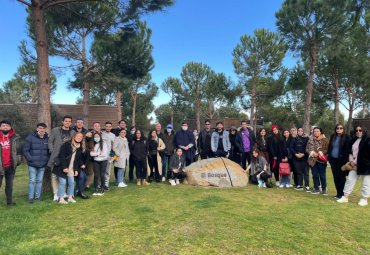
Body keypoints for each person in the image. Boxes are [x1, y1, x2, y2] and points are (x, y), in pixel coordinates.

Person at [337, 126, 370, 206]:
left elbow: (365, 154)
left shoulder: (368, 140)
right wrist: (351, 161)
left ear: (364, 131)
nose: (358, 131)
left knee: (366, 183)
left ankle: (364, 199)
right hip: (353, 165)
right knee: (350, 180)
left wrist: (354, 162)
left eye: (360, 130)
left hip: (365, 165)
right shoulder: (353, 140)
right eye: (356, 130)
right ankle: (345, 197)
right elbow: (350, 152)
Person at [47, 115, 76, 201]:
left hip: (67, 157)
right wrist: (52, 151)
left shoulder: (73, 132)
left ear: (71, 123)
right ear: (63, 122)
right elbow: (50, 142)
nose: (67, 122)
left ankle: (63, 192)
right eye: (66, 121)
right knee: (55, 175)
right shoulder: (55, 130)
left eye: (69, 121)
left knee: (65, 175)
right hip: (56, 156)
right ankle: (56, 193)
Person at [52, 132, 86, 204]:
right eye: (78, 136)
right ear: (74, 136)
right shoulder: (66, 144)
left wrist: (76, 170)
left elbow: (77, 160)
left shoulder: (80, 147)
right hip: (62, 166)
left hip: (71, 168)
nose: (79, 137)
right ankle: (61, 198)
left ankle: (70, 197)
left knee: (72, 182)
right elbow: (62, 156)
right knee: (63, 182)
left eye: (81, 137)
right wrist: (64, 167)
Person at [22, 123, 49, 204]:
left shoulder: (47, 138)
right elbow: (25, 150)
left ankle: (37, 197)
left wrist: (45, 161)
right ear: (37, 129)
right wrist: (31, 160)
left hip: (42, 164)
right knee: (32, 181)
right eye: (40, 128)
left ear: (45, 129)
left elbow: (49, 152)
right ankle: (30, 198)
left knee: (39, 181)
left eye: (44, 128)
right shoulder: (30, 138)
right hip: (32, 164)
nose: (42, 130)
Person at [0, 120, 20, 206]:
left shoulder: (15, 137)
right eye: (3, 126)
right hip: (0, 166)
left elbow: (18, 150)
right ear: (0, 127)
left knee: (9, 186)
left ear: (10, 127)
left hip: (10, 166)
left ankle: (9, 203)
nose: (5, 127)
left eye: (7, 126)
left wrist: (18, 160)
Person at [327, 124, 350, 199]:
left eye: (341, 128)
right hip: (333, 160)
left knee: (341, 178)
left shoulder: (346, 137)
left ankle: (342, 194)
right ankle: (338, 193)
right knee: (335, 177)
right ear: (335, 129)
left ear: (343, 129)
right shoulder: (333, 136)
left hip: (341, 161)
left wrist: (345, 161)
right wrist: (329, 158)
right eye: (337, 128)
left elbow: (347, 150)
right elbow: (330, 147)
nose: (339, 129)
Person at [306, 127, 329, 195]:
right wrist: (311, 152)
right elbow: (307, 149)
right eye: (314, 131)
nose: (316, 132)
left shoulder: (325, 140)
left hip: (321, 160)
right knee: (315, 175)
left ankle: (324, 189)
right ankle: (316, 188)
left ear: (320, 132)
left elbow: (327, 149)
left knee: (322, 175)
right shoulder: (310, 140)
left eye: (317, 131)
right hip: (312, 160)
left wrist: (319, 153)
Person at [291, 128, 310, 192]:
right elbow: (291, 148)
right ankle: (300, 185)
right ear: (297, 132)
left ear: (303, 132)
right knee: (299, 172)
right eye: (298, 131)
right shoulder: (294, 139)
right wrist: (296, 154)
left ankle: (307, 185)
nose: (300, 132)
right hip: (296, 158)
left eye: (301, 131)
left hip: (304, 158)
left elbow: (308, 148)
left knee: (306, 173)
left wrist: (303, 154)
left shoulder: (306, 139)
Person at [102, 121, 116, 189]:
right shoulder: (101, 134)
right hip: (101, 156)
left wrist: (112, 155)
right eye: (106, 126)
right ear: (105, 127)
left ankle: (106, 185)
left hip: (109, 156)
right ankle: (100, 184)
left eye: (109, 126)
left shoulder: (113, 135)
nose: (108, 128)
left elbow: (113, 146)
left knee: (107, 171)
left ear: (111, 127)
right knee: (101, 171)